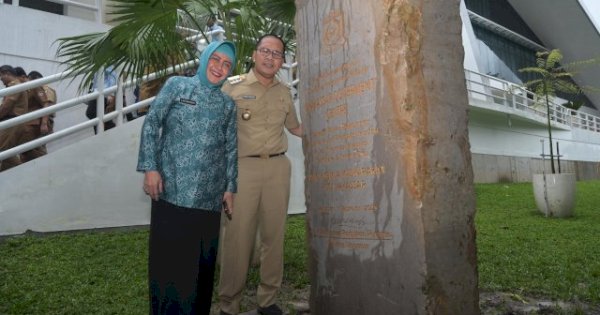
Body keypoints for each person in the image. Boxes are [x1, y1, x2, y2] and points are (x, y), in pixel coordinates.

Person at [137, 40, 238, 315]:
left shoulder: (228, 105)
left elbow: (231, 148)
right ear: (205, 58)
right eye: (215, 59)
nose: (220, 67)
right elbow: (152, 123)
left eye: (227, 64)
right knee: (169, 269)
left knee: (200, 273)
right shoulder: (177, 86)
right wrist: (150, 167)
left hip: (208, 201)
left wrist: (230, 188)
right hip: (171, 193)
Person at [218, 34, 303, 315]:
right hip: (244, 169)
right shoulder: (232, 88)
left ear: (282, 61)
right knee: (237, 238)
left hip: (278, 168)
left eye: (277, 54)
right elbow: (215, 131)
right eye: (266, 51)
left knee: (274, 236)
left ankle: (268, 300)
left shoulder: (284, 92)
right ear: (254, 55)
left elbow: (296, 128)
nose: (271, 57)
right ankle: (229, 304)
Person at [17, 70, 54, 162]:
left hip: (39, 122)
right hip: (33, 123)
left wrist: (44, 123)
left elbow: (47, 103)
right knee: (28, 151)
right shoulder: (27, 90)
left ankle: (45, 167)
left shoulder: (44, 88)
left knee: (36, 149)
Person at [0, 65, 29, 171]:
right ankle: (22, 173)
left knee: (2, 150)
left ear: (6, 73)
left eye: (1, 76)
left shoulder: (15, 85)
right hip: (12, 122)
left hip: (12, 122)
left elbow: (6, 106)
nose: (0, 79)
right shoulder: (15, 85)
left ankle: (25, 172)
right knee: (6, 153)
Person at [86, 66, 117, 133]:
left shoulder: (105, 59)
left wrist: (109, 93)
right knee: (96, 115)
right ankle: (105, 132)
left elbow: (112, 75)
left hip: (103, 92)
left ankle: (110, 127)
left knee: (91, 113)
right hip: (98, 91)